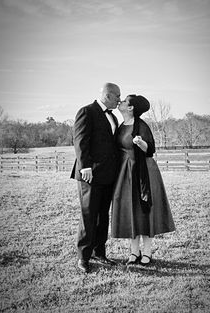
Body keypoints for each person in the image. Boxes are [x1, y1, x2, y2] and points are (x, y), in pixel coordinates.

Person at [111, 94, 175, 265]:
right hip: (125, 173)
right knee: (131, 210)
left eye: (124, 101)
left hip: (143, 171)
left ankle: (146, 252)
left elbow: (150, 149)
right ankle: (134, 252)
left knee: (144, 210)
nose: (121, 102)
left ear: (131, 108)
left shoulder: (142, 125)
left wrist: (140, 143)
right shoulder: (121, 125)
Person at [70, 82, 121, 273]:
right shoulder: (86, 111)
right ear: (108, 95)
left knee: (102, 217)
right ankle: (83, 257)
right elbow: (80, 141)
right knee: (88, 215)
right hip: (89, 174)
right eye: (117, 96)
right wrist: (85, 167)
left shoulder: (113, 117)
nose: (119, 99)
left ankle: (99, 253)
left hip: (108, 175)